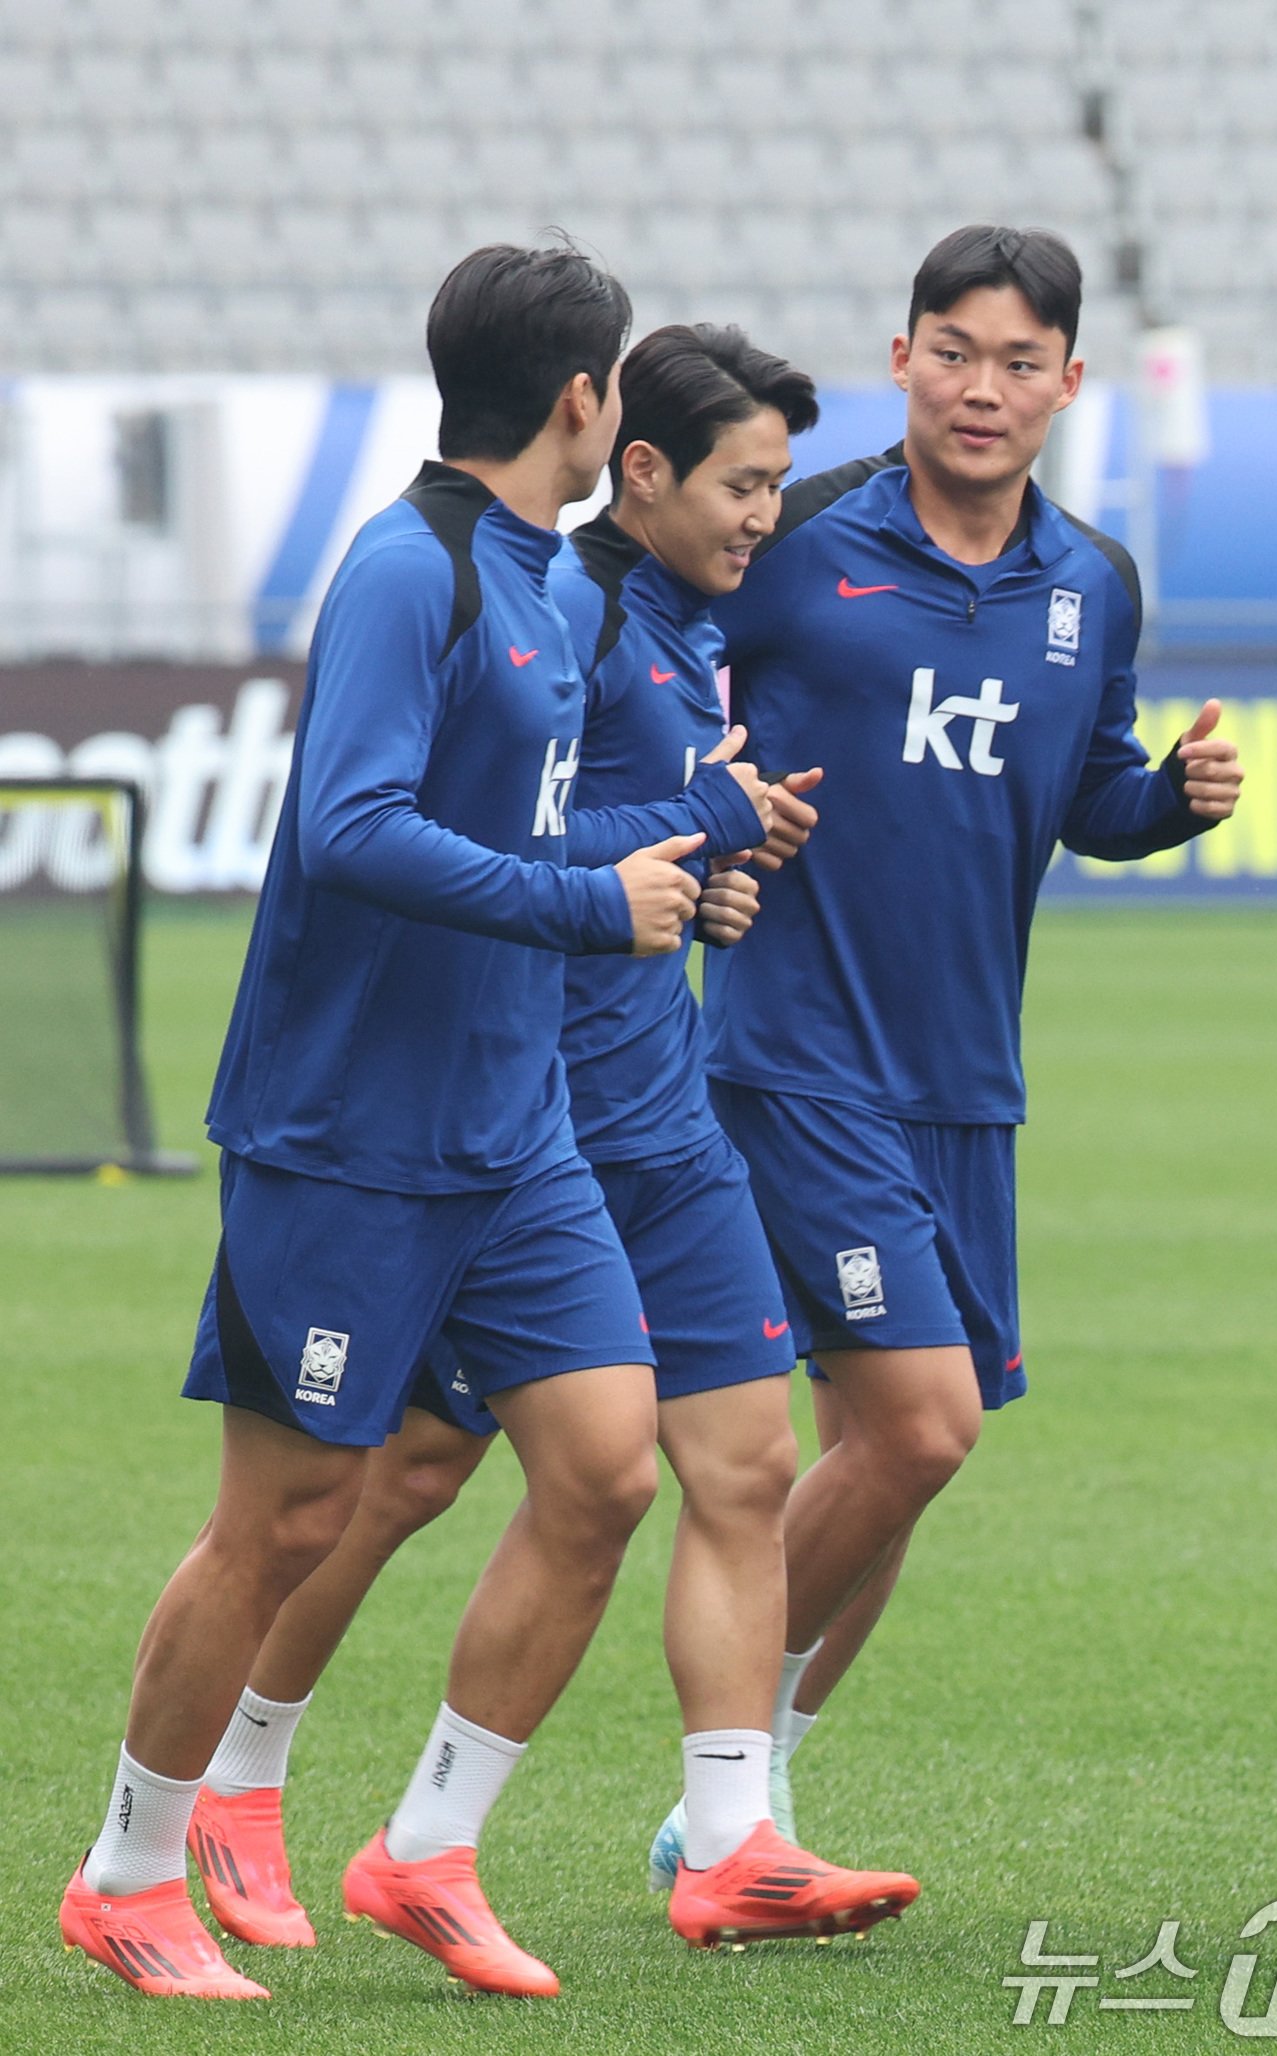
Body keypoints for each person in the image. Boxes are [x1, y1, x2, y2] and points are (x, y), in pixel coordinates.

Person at [59, 243, 775, 2005]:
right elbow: (353, 824)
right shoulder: (409, 568)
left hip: (510, 1127)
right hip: (347, 1130)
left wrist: (663, 840)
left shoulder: (540, 578)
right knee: (285, 1522)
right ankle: (130, 1871)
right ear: (588, 405)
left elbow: (526, 821)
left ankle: (428, 1848)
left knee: (607, 1469)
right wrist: (596, 904)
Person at [184, 322, 918, 1969]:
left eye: (783, 485)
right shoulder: (549, 600)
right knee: (390, 1480)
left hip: (658, 1115)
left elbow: (617, 854)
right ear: (628, 459)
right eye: (747, 482)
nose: (766, 516)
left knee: (735, 1467)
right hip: (528, 1119)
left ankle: (728, 1840)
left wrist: (707, 862)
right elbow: (486, 841)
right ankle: (236, 1775)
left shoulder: (687, 625)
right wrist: (673, 841)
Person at [647, 224, 1245, 1880]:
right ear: (901, 356)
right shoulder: (793, 534)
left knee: (894, 1458)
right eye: (954, 351)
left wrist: (1164, 809)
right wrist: (702, 828)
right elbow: (654, 694)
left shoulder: (1091, 581)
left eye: (1020, 361)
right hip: (793, 1052)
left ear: (1070, 381)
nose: (984, 389)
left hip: (967, 1081)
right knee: (921, 1429)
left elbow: (1084, 791)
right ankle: (725, 1792)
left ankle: (750, 1791)